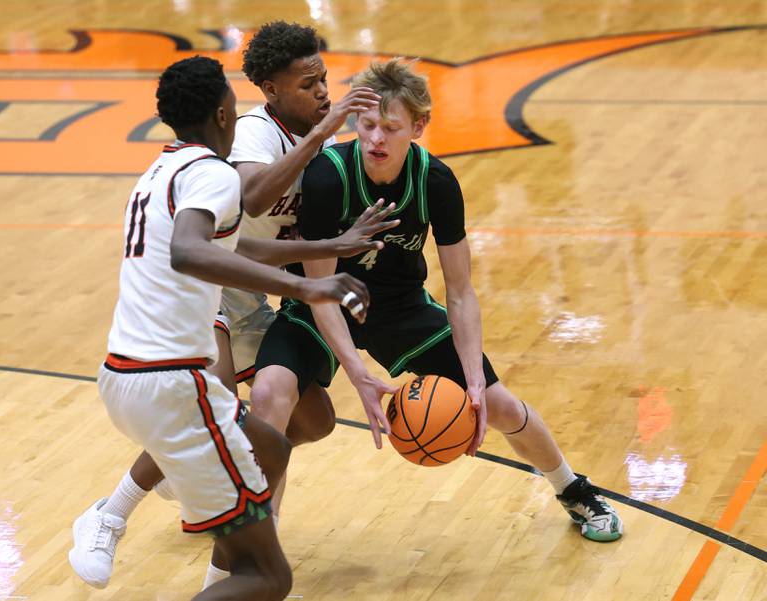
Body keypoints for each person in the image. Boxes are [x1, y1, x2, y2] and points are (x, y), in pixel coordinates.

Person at [69, 22, 393, 592]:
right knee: (216, 407)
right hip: (200, 315)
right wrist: (310, 284)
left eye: (324, 80)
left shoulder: (170, 166)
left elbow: (232, 239)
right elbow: (237, 210)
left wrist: (332, 248)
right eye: (309, 83)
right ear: (239, 105)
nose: (323, 92)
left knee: (307, 424)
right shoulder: (237, 149)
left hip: (210, 316)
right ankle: (116, 513)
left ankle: (192, 474)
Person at [265, 58, 624, 542]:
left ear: (418, 126)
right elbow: (320, 291)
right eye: (367, 125)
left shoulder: (435, 181)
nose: (376, 139)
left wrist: (474, 380)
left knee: (496, 404)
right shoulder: (329, 176)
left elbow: (460, 291)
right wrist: (356, 370)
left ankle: (572, 488)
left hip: (401, 307)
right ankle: (256, 547)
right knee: (271, 395)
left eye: (391, 128)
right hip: (322, 303)